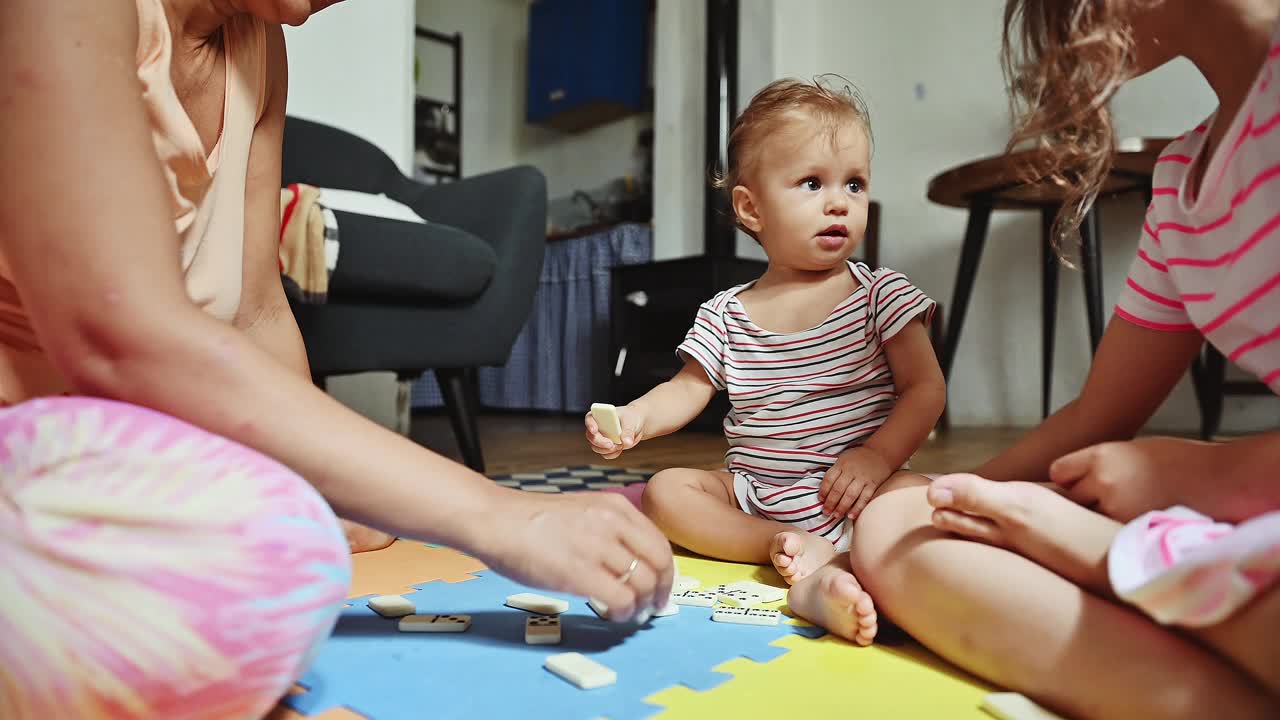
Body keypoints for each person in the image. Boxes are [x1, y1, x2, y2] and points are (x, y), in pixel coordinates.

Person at [0, 1, 672, 716]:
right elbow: (117, 334)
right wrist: (502, 515)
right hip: (32, 436)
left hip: (139, 451)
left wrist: (312, 481)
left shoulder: (258, 52)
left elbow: (258, 309)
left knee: (301, 539)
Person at [836, 0, 1280, 717]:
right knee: (895, 529)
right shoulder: (1181, 184)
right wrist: (951, 499)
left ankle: (1129, 576)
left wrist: (1209, 473)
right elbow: (1098, 415)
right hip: (1241, 535)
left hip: (1239, 513)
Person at [585, 78, 946, 646]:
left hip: (859, 490)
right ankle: (780, 545)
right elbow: (687, 388)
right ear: (751, 207)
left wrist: (877, 458)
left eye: (854, 183)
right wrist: (635, 419)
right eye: (812, 183)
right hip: (756, 494)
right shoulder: (725, 312)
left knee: (924, 502)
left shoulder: (881, 295)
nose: (839, 202)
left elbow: (925, 389)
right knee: (665, 492)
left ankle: (839, 572)